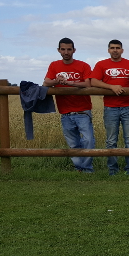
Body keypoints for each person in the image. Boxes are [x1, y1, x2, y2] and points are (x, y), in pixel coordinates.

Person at [43, 38, 95, 173]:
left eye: (69, 49)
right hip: (65, 112)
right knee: (73, 144)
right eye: (63, 49)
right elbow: (46, 83)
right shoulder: (54, 65)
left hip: (83, 111)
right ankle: (79, 168)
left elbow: (88, 84)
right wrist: (56, 81)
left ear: (74, 50)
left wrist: (70, 83)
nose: (66, 52)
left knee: (88, 141)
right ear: (59, 50)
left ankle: (87, 169)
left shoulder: (83, 65)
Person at [90, 40, 129, 175]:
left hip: (128, 107)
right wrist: (111, 87)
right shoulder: (101, 64)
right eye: (112, 48)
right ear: (108, 50)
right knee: (111, 141)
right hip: (110, 108)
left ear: (122, 50)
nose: (115, 50)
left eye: (118, 48)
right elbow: (93, 81)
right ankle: (113, 170)